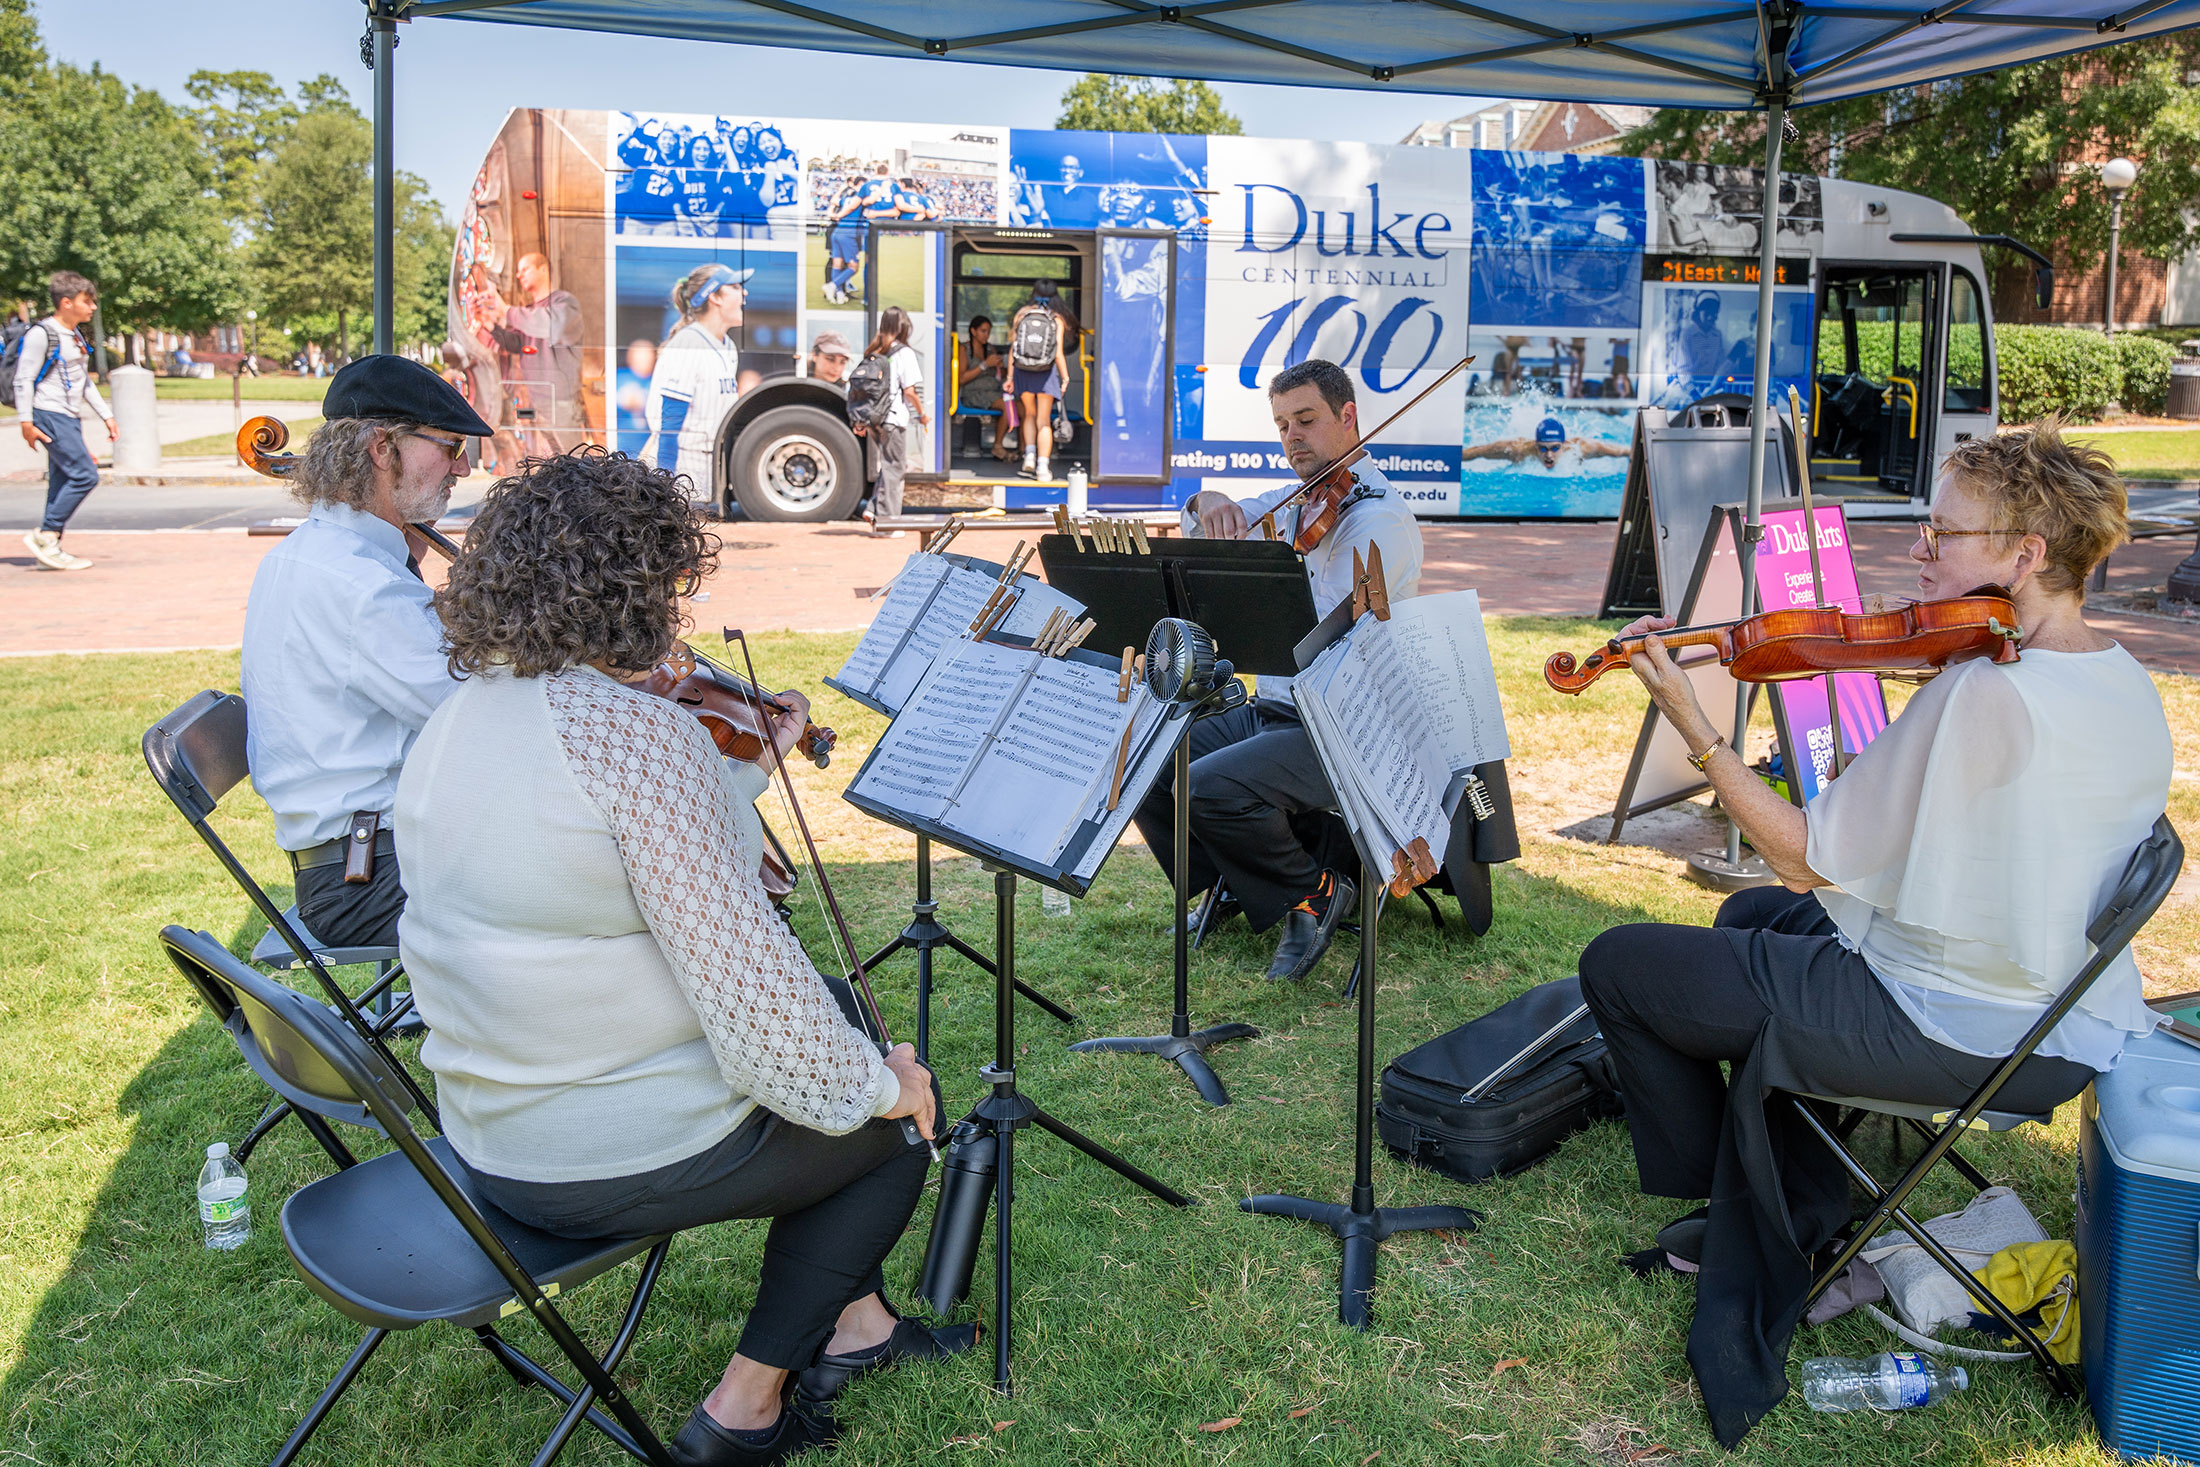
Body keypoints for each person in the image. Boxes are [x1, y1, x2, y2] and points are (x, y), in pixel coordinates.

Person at [1578, 421, 2171, 1447]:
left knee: (1620, 963)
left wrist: (1696, 722)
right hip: (2050, 1019)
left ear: (2027, 555)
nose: (1920, 554)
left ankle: (1736, 1198)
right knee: (1751, 919)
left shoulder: (1988, 692)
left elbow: (1805, 853)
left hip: (1957, 1023)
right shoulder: (2119, 675)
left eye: (1944, 535)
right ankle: (1795, 1177)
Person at [395, 449, 971, 1466]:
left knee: (839, 1008)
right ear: (637, 586)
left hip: (485, 1124)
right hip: (584, 1155)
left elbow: (611, 855)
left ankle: (860, 1327)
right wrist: (885, 1086)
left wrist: (846, 1048)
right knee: (891, 1122)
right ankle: (744, 1410)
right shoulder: (631, 735)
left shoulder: (459, 717)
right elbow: (756, 1018)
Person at [1132, 360, 1516, 981]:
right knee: (1143, 756)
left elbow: (1327, 641)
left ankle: (1313, 891)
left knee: (1208, 784)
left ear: (1348, 418)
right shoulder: (1297, 503)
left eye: (1306, 421)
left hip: (1348, 727)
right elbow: (1206, 516)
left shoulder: (1379, 521)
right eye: (1282, 425)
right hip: (1278, 712)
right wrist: (1210, 503)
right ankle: (1232, 881)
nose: (1292, 437)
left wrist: (1265, 582)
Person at [240, 356, 493, 951]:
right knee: (595, 879)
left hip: (368, 856)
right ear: (383, 448)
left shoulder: (323, 555)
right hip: (368, 880)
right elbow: (479, 720)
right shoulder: (361, 586)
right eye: (449, 446)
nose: (460, 466)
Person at [14, 271, 114, 572]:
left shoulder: (74, 334)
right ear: (66, 302)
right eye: (87, 301)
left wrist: (106, 415)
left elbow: (83, 381)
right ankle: (45, 535)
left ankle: (51, 544)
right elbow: (23, 379)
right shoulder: (41, 334)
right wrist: (26, 422)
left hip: (67, 416)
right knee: (85, 475)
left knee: (60, 481)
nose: (92, 307)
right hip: (48, 413)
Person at [647, 264, 750, 493]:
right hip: (683, 467)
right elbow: (669, 426)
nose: (744, 293)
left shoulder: (728, 346)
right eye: (734, 286)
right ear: (714, 297)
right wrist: (665, 485)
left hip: (709, 463)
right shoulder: (688, 343)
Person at [480, 252, 586, 453]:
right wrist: (491, 325)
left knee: (575, 460)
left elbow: (550, 324)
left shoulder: (565, 303)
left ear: (543, 269)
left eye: (525, 269)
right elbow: (517, 344)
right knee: (556, 465)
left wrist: (506, 311)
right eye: (518, 272)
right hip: (539, 402)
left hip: (561, 402)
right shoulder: (528, 311)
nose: (519, 275)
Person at [857, 306, 927, 526]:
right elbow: (909, 391)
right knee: (896, 468)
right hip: (894, 418)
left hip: (875, 418)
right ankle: (889, 523)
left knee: (888, 465)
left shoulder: (875, 351)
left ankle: (872, 509)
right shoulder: (904, 353)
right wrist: (923, 414)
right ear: (903, 327)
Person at [1008, 281, 1069, 482]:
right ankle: (1043, 467)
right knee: (1043, 421)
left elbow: (1013, 349)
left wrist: (1009, 377)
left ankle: (1029, 456)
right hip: (1046, 372)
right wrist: (1066, 376)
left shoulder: (1022, 315)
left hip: (1023, 370)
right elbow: (1058, 353)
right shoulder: (1056, 319)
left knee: (1029, 415)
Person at [1462, 416, 1629, 470]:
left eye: (1555, 448)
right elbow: (1479, 451)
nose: (1549, 455)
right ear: (1536, 445)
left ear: (1563, 445)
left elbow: (1620, 451)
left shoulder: (1581, 449)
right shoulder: (1518, 450)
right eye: (1543, 448)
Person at [955, 316, 1007, 460]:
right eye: (983, 331)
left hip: (994, 390)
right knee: (1007, 406)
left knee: (1021, 408)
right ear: (973, 331)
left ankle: (1024, 450)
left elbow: (1001, 375)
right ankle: (997, 446)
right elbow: (962, 379)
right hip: (974, 393)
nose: (986, 335)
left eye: (988, 332)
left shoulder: (990, 348)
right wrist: (984, 365)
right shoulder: (964, 349)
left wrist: (1000, 368)